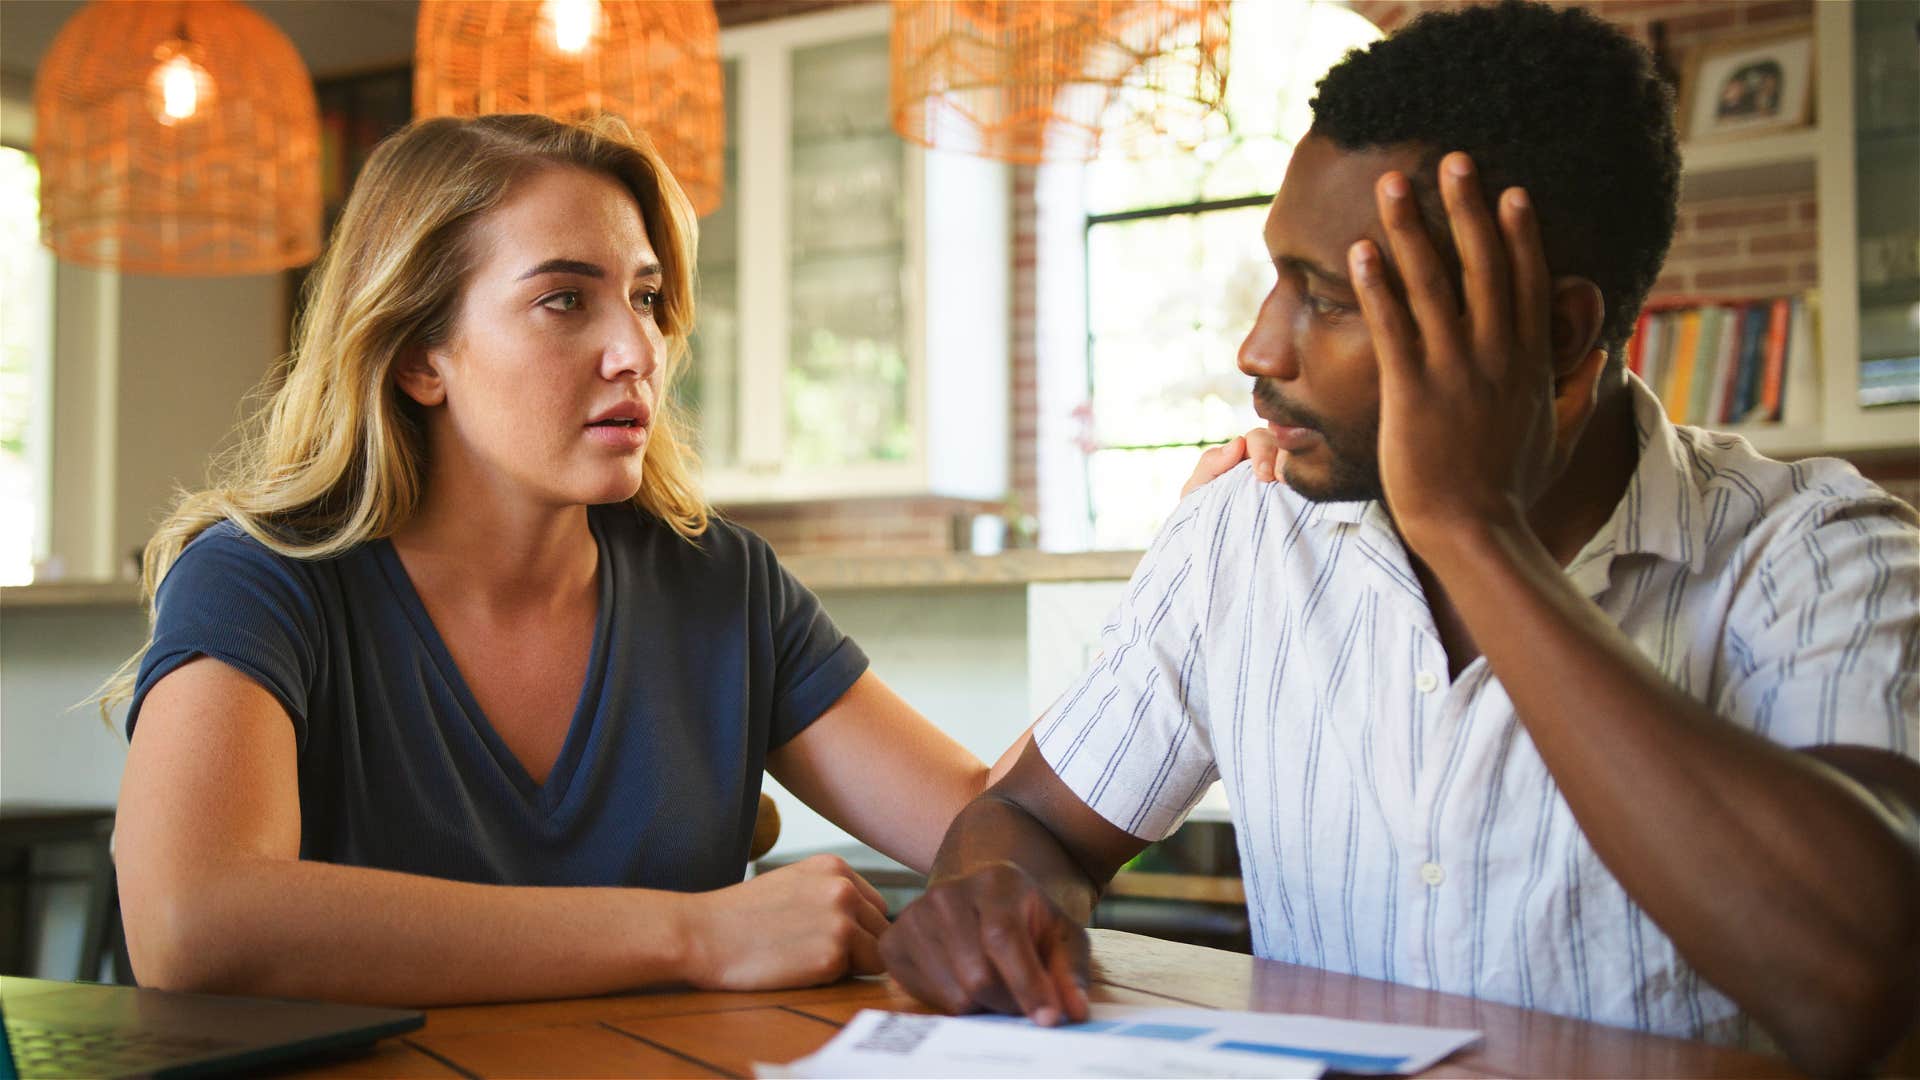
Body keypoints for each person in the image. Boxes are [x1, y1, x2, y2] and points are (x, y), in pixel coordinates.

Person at [879, 3, 1920, 1076]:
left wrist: (1473, 530)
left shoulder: (1816, 550)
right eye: (1279, 277)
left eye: (1329, 300)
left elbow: (1851, 987)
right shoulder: (1245, 535)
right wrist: (989, 900)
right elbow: (1029, 819)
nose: (1259, 345)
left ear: (1558, 336)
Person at [104, 113, 1041, 1006]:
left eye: (644, 297)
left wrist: (1178, 586)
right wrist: (698, 934)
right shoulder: (261, 578)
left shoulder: (722, 585)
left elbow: (989, 823)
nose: (638, 349)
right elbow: (191, 924)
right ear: (420, 357)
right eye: (563, 300)